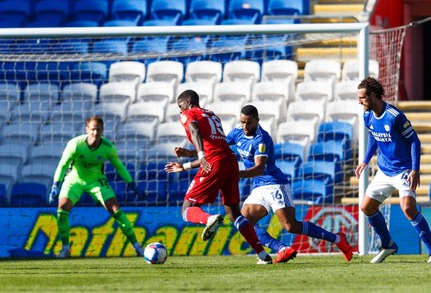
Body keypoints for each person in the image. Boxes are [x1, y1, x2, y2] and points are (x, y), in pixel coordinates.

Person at [175, 105, 353, 263]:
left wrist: (234, 173)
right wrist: (190, 153)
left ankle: (337, 239)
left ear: (257, 120)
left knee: (289, 225)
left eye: (248, 122)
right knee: (244, 221)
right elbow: (216, 150)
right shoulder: (237, 133)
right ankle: (281, 249)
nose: (245, 126)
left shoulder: (262, 139)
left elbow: (259, 168)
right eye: (242, 122)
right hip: (258, 187)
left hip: (274, 184)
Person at [164, 90, 273, 264]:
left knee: (186, 209)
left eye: (180, 106)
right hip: (230, 162)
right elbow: (215, 148)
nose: (180, 111)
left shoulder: (188, 114)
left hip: (214, 163)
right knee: (235, 214)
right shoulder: (211, 115)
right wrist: (185, 165)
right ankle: (262, 255)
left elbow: (195, 130)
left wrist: (200, 155)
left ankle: (209, 219)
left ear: (188, 101)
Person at [355, 77, 431, 263]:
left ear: (373, 95)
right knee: (366, 207)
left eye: (362, 98)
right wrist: (365, 160)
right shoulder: (367, 115)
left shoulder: (394, 116)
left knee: (408, 208)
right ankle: (388, 244)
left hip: (403, 169)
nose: (360, 101)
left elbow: (415, 141)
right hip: (384, 170)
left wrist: (415, 169)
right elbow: (373, 135)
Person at [48, 115, 145, 258]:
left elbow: (119, 167)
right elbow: (62, 165)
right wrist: (55, 185)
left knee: (115, 210)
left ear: (102, 130)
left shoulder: (107, 147)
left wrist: (132, 185)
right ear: (87, 129)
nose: (95, 133)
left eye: (98, 129)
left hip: (96, 180)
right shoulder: (75, 144)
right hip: (74, 179)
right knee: (62, 209)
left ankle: (137, 246)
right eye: (93, 129)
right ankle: (66, 249)